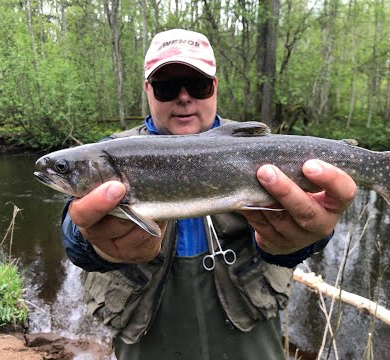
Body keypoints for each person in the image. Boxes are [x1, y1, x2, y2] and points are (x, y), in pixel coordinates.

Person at [61, 29, 357, 360]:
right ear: (148, 90)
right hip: (149, 334)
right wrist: (97, 245)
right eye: (167, 87)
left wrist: (304, 239)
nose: (184, 97)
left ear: (214, 87)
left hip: (248, 330)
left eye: (197, 84)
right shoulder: (108, 153)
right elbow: (73, 233)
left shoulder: (257, 147)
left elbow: (294, 242)